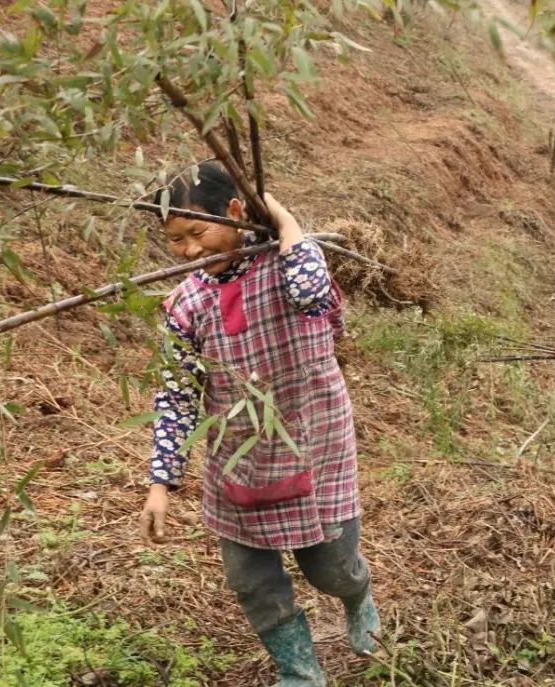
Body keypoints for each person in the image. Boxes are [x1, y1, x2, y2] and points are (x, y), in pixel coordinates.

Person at [137, 161, 378, 687]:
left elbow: (316, 294)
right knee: (251, 580)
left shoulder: (288, 265)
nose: (190, 251)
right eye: (175, 239)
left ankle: (358, 597)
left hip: (314, 442)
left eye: (198, 232)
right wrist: (161, 481)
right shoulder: (186, 305)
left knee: (331, 568)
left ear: (235, 212)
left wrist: (283, 219)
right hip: (238, 458)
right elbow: (176, 395)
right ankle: (300, 670)